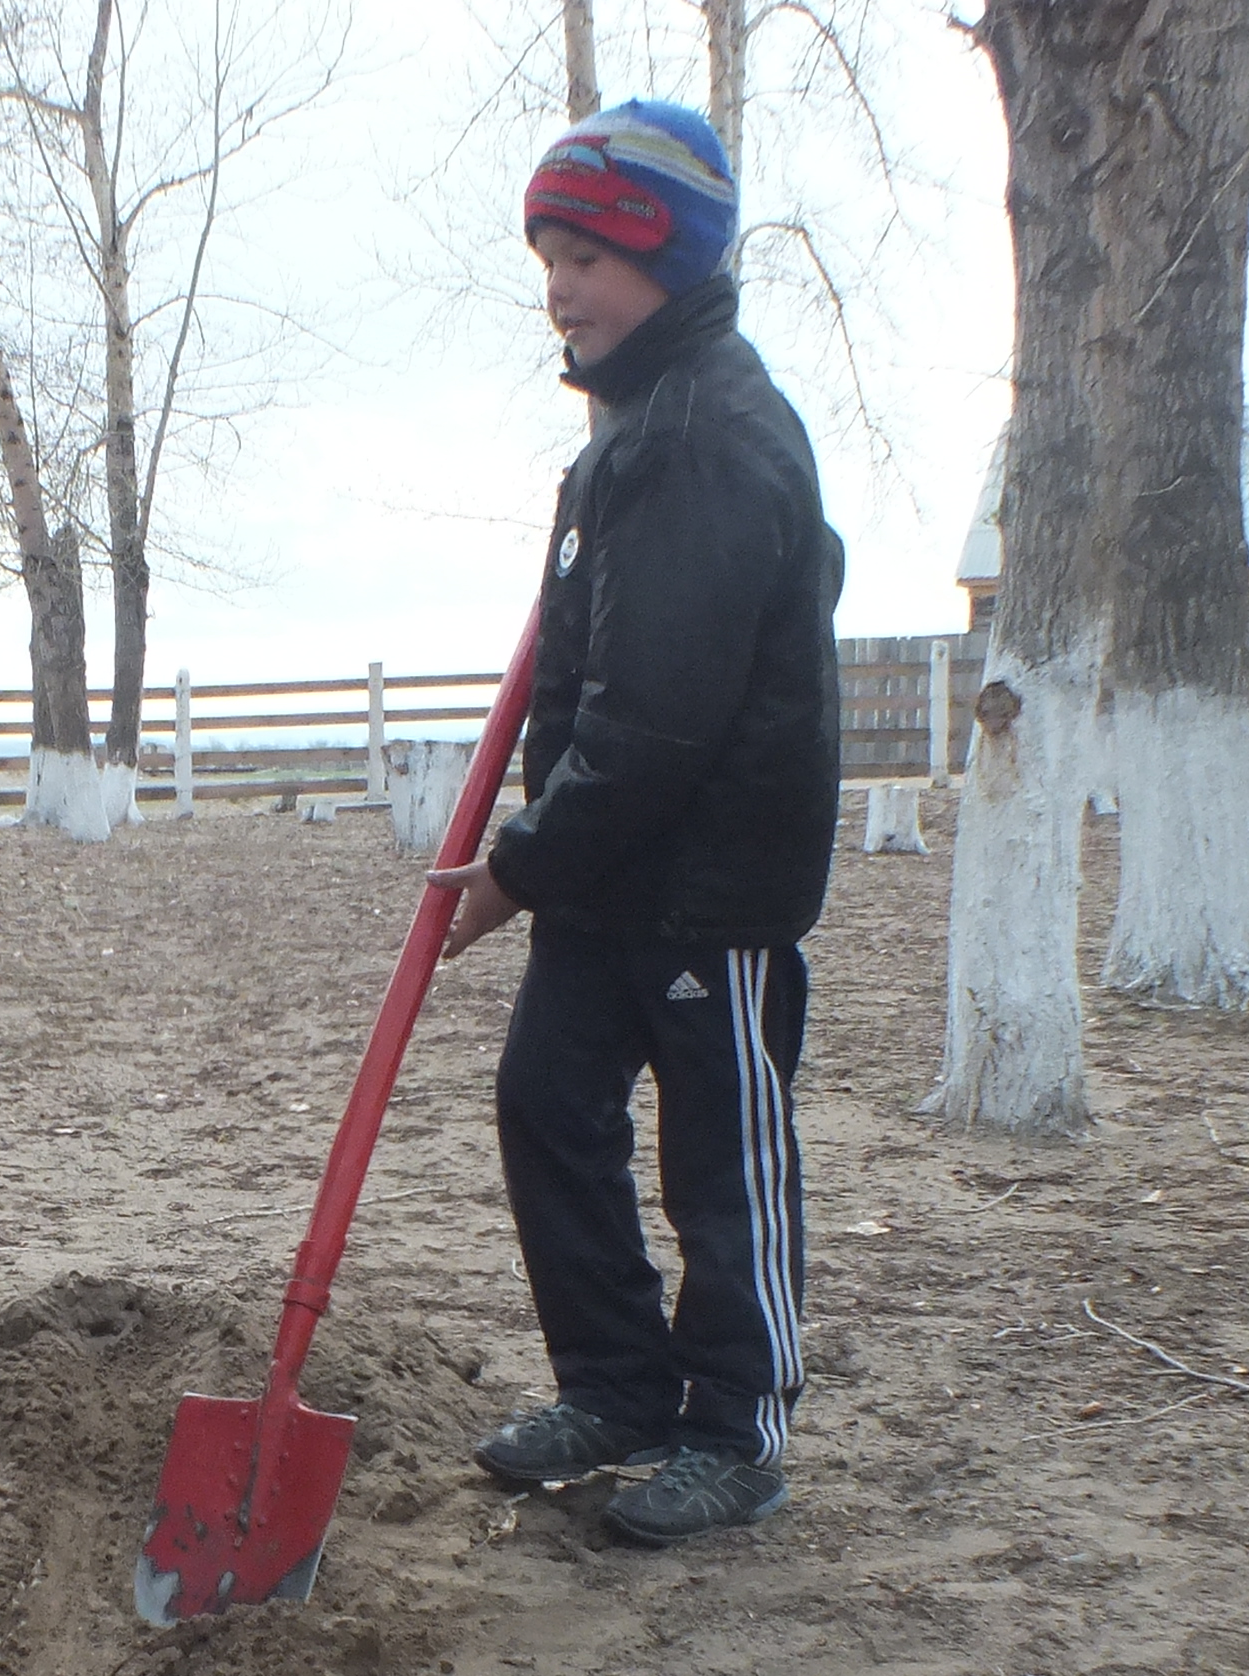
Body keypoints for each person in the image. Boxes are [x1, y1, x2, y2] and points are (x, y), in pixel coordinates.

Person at [429, 101, 846, 1548]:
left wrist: (516, 868)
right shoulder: (626, 433)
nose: (560, 282)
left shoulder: (718, 434)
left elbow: (661, 721)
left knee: (722, 1161)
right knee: (547, 1102)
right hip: (614, 872)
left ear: (669, 255)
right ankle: (615, 1386)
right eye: (549, 252)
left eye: (590, 253)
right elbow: (586, 667)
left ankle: (737, 1429)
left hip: (707, 885)